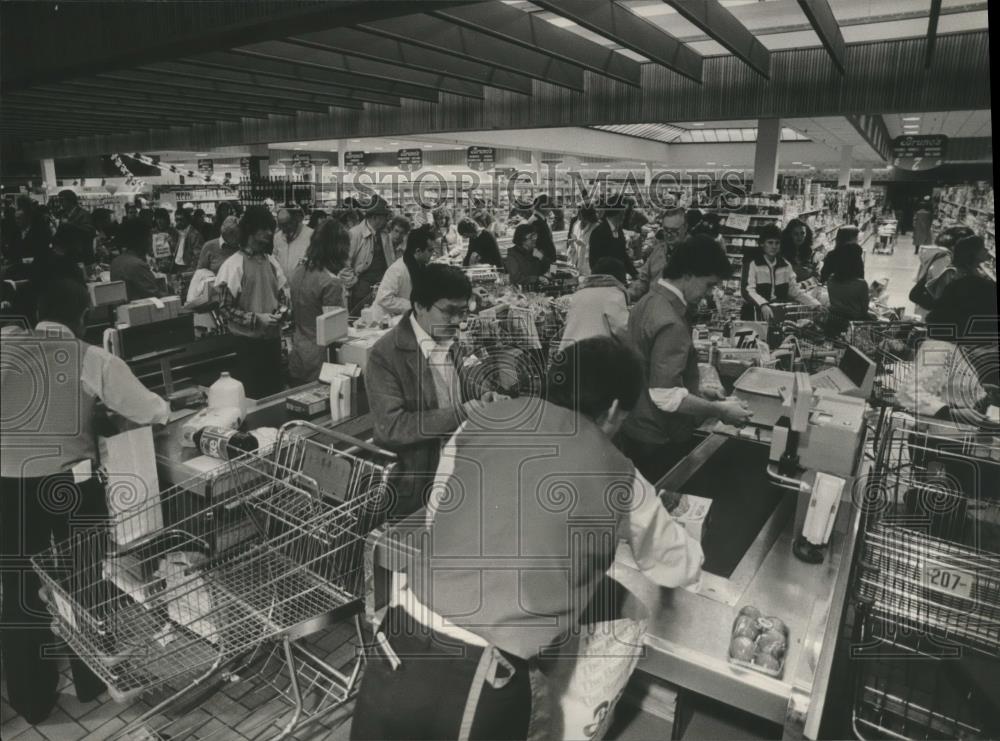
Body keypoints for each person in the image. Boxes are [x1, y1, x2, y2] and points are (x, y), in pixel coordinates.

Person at [351, 337, 703, 741]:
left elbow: (437, 512)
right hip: (482, 676)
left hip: (399, 638)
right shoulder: (623, 476)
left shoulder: (481, 421)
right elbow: (678, 566)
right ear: (611, 410)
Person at [1, 279, 170, 725]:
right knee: (84, 581)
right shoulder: (90, 357)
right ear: (83, 317)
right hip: (70, 488)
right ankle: (92, 679)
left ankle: (31, 702)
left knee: (19, 591)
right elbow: (152, 411)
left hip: (7, 486)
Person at [366, 264, 504, 518]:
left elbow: (469, 381)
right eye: (449, 312)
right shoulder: (385, 355)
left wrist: (486, 395)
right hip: (417, 486)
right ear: (419, 305)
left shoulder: (453, 341)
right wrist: (464, 412)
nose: (457, 321)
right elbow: (392, 427)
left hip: (463, 472)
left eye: (463, 312)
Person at [618, 235, 752, 482]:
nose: (708, 293)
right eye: (709, 285)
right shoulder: (670, 320)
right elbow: (665, 396)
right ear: (688, 275)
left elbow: (650, 370)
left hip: (636, 425)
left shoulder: (648, 301)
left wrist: (698, 393)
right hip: (658, 438)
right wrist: (720, 410)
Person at [215, 206, 288, 399]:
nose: (270, 233)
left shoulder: (271, 262)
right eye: (264, 228)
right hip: (246, 347)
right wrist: (256, 319)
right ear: (250, 229)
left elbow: (282, 295)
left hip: (272, 343)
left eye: (271, 228)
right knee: (253, 397)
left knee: (275, 396)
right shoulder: (233, 265)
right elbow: (225, 308)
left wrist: (281, 312)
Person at [287, 220, 351, 385]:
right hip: (321, 360)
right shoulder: (331, 282)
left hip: (298, 352)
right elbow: (335, 333)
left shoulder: (298, 271)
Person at [927, 235, 998, 342]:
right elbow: (942, 305)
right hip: (954, 330)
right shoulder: (953, 274)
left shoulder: (975, 271)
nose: (987, 250)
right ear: (972, 252)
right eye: (982, 248)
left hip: (967, 328)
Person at [741, 223, 819, 320]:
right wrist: (763, 304)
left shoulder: (786, 265)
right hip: (755, 314)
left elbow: (794, 291)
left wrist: (814, 303)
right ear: (762, 244)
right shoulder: (753, 264)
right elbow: (748, 290)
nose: (774, 246)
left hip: (778, 313)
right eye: (770, 242)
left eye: (777, 243)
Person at [558, 257, 630, 351]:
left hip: (568, 352)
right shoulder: (614, 293)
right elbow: (622, 329)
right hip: (594, 353)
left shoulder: (579, 294)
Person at [372, 224, 438, 322]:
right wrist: (413, 305)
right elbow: (384, 298)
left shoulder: (420, 266)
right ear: (418, 251)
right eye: (430, 250)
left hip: (401, 318)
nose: (433, 253)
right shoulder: (397, 269)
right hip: (383, 321)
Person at [346, 198, 394, 314]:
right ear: (375, 217)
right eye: (385, 217)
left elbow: (390, 259)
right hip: (361, 289)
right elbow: (344, 264)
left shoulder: (385, 234)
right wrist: (354, 283)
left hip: (382, 288)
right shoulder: (355, 233)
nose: (387, 221)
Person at [629, 206, 686, 302]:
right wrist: (626, 294)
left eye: (674, 231)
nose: (668, 234)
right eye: (666, 229)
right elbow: (643, 281)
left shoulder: (694, 251)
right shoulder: (658, 250)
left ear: (685, 228)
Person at [109, 219, 164, 301]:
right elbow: (154, 295)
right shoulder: (137, 265)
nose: (151, 241)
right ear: (141, 240)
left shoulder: (116, 261)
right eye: (149, 237)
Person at [589, 196, 638, 278]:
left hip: (619, 278)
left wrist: (635, 274)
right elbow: (594, 263)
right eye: (624, 212)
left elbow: (623, 255)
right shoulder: (598, 232)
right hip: (605, 281)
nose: (625, 215)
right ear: (617, 212)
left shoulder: (619, 231)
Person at [825, 250, 869, 334]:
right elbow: (864, 310)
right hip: (853, 324)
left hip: (833, 321)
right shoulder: (861, 284)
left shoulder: (830, 280)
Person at [273, 203, 314, 284]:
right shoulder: (277, 237)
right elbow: (275, 260)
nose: (284, 229)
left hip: (304, 287)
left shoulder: (311, 235)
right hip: (283, 287)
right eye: (281, 225)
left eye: (286, 224)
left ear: (295, 220)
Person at [55, 189, 96, 264]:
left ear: (70, 200)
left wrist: (70, 225)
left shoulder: (83, 214)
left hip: (82, 255)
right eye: (59, 201)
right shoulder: (63, 214)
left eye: (62, 200)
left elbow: (89, 232)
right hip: (68, 255)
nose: (60, 203)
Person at [505, 222, 547, 288]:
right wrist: (537, 279)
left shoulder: (535, 252)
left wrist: (551, 274)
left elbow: (552, 264)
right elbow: (516, 278)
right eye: (532, 237)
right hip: (521, 293)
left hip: (539, 290)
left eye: (535, 236)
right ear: (522, 239)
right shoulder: (512, 255)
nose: (535, 239)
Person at [566, 204, 598, 276]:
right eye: (580, 217)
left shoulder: (596, 228)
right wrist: (571, 245)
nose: (582, 221)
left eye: (584, 218)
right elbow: (572, 247)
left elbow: (597, 251)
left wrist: (584, 246)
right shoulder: (576, 225)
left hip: (589, 268)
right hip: (575, 266)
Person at [171, 207, 204, 272]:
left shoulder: (194, 235)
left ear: (187, 220)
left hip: (187, 268)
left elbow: (198, 256)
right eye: (176, 220)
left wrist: (191, 269)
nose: (178, 222)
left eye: (181, 220)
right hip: (176, 266)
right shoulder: (177, 232)